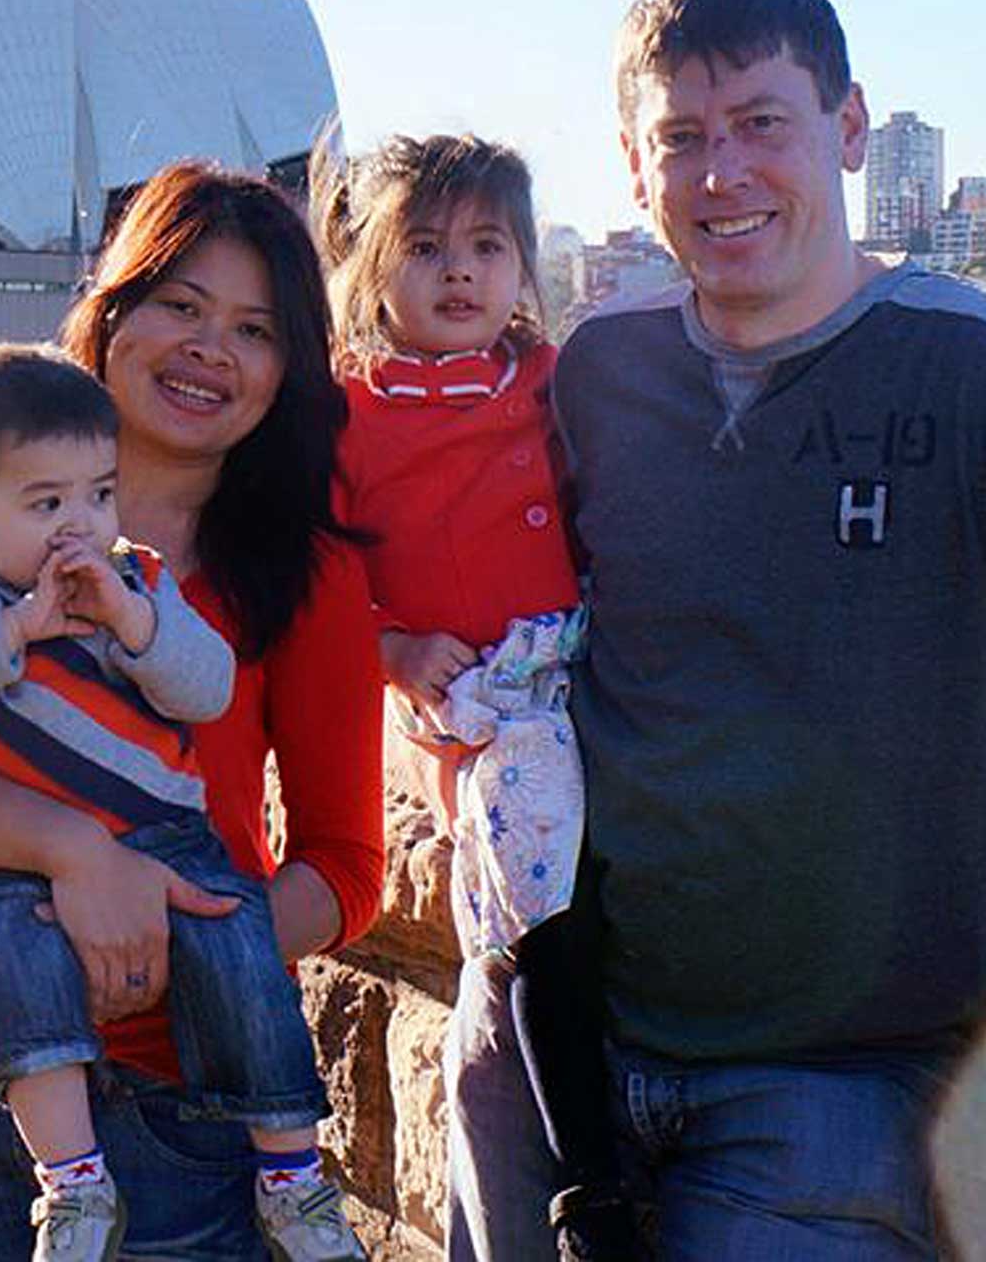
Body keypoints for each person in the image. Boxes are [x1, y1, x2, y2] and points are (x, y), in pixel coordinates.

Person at [450, 0, 986, 1260]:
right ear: (632, 160)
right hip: (543, 1038)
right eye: (681, 139)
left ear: (849, 128)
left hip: (831, 1085)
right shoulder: (598, 365)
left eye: (761, 124)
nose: (721, 175)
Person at [0, 162, 386, 1261]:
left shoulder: (303, 579)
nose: (209, 349)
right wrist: (80, 857)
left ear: (288, 369)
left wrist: (180, 946)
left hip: (177, 1099)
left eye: (254, 328)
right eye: (179, 305)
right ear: (112, 307)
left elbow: (345, 866)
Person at [312, 134, 627, 1261]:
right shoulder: (348, 413)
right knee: (542, 906)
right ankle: (590, 1177)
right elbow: (312, 571)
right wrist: (390, 647)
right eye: (427, 247)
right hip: (479, 696)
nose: (460, 272)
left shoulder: (547, 378)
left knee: (560, 889)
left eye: (487, 247)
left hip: (580, 659)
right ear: (370, 269)